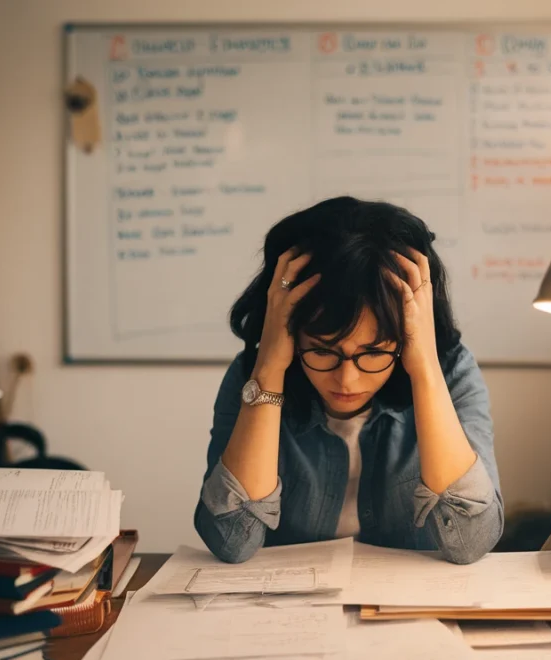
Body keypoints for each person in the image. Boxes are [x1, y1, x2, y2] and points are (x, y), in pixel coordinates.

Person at [194, 196, 503, 564]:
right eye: (323, 351)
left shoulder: (450, 374)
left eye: (373, 353)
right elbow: (230, 541)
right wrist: (270, 370)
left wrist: (424, 371)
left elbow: (471, 541)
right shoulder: (254, 377)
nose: (347, 378)